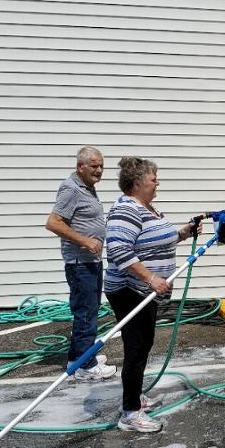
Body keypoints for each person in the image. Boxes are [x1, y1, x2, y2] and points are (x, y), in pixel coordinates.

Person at [104, 157, 201, 433]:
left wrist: (184, 232)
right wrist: (151, 278)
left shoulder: (146, 207)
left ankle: (134, 398)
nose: (158, 182)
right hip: (129, 289)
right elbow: (118, 251)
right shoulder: (126, 209)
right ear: (136, 183)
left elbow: (156, 240)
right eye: (153, 179)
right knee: (136, 349)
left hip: (143, 291)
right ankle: (130, 414)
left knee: (143, 346)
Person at [45, 146, 117, 381]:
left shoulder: (87, 188)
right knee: (86, 312)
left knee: (91, 310)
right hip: (80, 263)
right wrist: (84, 240)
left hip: (91, 261)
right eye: (94, 165)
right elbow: (54, 223)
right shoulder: (72, 189)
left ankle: (80, 356)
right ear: (80, 167)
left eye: (101, 166)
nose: (99, 170)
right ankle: (86, 366)